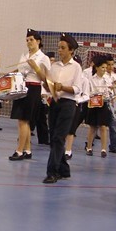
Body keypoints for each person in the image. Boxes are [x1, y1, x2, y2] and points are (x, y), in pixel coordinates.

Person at [41, 34, 82, 183]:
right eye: (59, 47)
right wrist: (47, 84)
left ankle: (52, 172)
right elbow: (49, 86)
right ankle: (64, 169)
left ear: (71, 50)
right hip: (55, 103)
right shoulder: (55, 66)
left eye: (63, 48)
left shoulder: (76, 67)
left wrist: (62, 87)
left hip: (68, 104)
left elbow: (77, 89)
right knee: (53, 137)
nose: (60, 50)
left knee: (59, 137)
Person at [8, 29, 51, 160]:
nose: (29, 42)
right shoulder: (25, 55)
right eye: (27, 40)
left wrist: (36, 67)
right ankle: (27, 150)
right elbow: (20, 69)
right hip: (21, 87)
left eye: (31, 40)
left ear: (38, 41)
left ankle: (19, 151)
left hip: (33, 88)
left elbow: (46, 80)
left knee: (24, 120)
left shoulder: (43, 58)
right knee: (21, 120)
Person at [86, 56, 114, 158]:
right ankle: (89, 147)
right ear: (97, 67)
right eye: (103, 67)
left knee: (103, 127)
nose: (105, 70)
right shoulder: (90, 79)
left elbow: (110, 93)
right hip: (93, 104)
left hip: (104, 104)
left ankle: (103, 149)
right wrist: (95, 94)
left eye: (105, 68)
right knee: (92, 127)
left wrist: (110, 91)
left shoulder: (108, 79)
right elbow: (88, 92)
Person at [105, 56, 116, 154]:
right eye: (109, 64)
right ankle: (89, 143)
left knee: (113, 125)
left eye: (112, 64)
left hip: (112, 103)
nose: (111, 67)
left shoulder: (115, 76)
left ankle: (113, 145)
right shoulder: (102, 75)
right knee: (96, 125)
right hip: (103, 102)